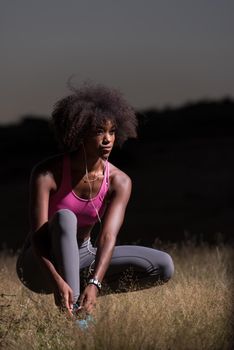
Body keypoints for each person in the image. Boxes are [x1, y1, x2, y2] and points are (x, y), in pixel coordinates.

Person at [16, 83, 174, 317]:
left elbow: (108, 237)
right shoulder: (47, 173)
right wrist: (57, 282)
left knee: (163, 265)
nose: (108, 139)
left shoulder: (120, 181)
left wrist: (95, 283)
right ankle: (80, 323)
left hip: (83, 255)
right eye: (99, 131)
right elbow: (38, 239)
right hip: (39, 263)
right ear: (79, 132)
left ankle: (82, 296)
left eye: (112, 131)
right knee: (64, 218)